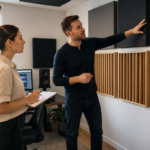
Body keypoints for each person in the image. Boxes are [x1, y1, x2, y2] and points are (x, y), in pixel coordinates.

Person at [52, 15, 146, 150]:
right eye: (78, 27)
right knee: (72, 134)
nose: (83, 29)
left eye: (82, 25)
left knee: (97, 133)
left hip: (92, 98)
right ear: (69, 33)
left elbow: (111, 39)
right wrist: (78, 78)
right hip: (73, 100)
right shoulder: (61, 53)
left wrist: (132, 30)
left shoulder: (90, 43)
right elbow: (56, 80)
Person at [0, 25, 40, 150]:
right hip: (8, 127)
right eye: (20, 38)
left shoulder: (8, 66)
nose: (24, 41)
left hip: (13, 124)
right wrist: (28, 100)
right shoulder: (4, 69)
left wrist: (27, 99)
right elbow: (1, 108)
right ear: (9, 42)